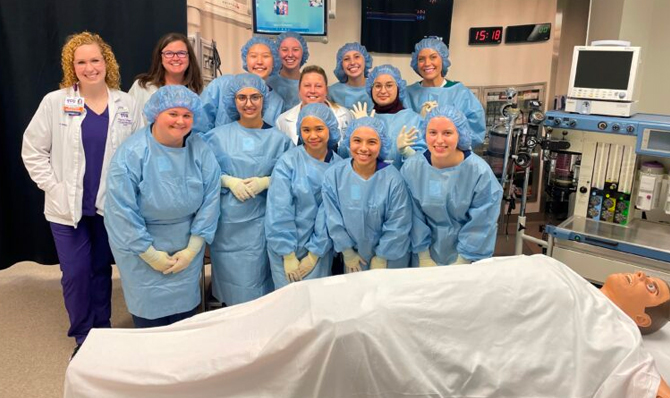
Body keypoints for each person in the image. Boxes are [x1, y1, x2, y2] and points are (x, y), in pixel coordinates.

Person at [63, 255, 670, 398]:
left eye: (654, 289)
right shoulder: (563, 272)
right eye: (649, 273)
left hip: (395, 328)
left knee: (306, 343)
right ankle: (118, 359)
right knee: (280, 316)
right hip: (381, 290)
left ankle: (111, 378)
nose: (643, 275)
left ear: (645, 320)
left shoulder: (617, 341)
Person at [22, 31, 143, 356]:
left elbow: (139, 153)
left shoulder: (126, 104)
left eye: (95, 60)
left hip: (110, 207)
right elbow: (32, 150)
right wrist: (54, 186)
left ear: (107, 62)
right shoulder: (56, 102)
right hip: (66, 209)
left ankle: (101, 331)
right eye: (81, 62)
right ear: (72, 67)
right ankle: (83, 337)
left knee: (101, 270)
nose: (90, 67)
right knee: (75, 274)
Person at [104, 86, 220, 328]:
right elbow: (120, 211)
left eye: (187, 115)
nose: (180, 121)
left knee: (184, 320)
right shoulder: (132, 154)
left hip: (186, 243)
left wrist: (192, 249)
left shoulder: (200, 150)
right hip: (140, 247)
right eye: (173, 113)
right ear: (156, 114)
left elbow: (211, 199)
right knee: (150, 321)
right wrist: (149, 253)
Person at [202, 73, 292, 306]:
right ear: (234, 100)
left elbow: (292, 176)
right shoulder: (217, 137)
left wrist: (266, 182)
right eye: (242, 97)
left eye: (255, 97)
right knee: (232, 294)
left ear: (265, 100)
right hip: (228, 227)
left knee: (260, 290)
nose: (249, 103)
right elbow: (203, 173)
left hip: (263, 224)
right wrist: (228, 181)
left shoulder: (279, 139)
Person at [401, 105, 502, 267]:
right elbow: (412, 215)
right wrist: (423, 256)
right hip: (424, 257)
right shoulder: (412, 169)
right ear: (425, 134)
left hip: (467, 259)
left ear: (460, 134)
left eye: (447, 133)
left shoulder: (479, 172)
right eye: (432, 132)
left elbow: (482, 222)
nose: (439, 140)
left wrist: (464, 259)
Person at [265, 103, 342, 288]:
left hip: (320, 251)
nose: (313, 136)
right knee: (288, 307)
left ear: (330, 129)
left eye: (319, 129)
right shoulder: (288, 162)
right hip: (284, 250)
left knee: (316, 305)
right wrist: (288, 254)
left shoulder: (339, 167)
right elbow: (279, 208)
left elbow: (331, 214)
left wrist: (314, 254)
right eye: (306, 130)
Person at [322, 117, 411, 273]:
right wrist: (348, 252)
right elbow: (333, 218)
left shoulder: (393, 180)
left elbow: (398, 222)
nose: (363, 148)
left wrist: (382, 256)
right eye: (357, 140)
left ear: (381, 145)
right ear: (348, 141)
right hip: (355, 260)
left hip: (390, 260)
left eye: (371, 142)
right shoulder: (334, 176)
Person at [405, 37, 486, 147]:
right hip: (417, 159)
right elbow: (401, 130)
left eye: (433, 57)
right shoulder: (408, 94)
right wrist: (419, 120)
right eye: (421, 59)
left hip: (451, 160)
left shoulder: (460, 93)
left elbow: (475, 133)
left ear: (443, 60)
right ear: (416, 63)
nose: (427, 63)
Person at [349, 64, 425, 169]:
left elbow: (424, 165)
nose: (383, 91)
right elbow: (346, 157)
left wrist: (407, 152)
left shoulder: (414, 120)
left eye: (389, 85)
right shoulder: (363, 118)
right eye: (378, 86)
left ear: (399, 88)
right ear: (371, 89)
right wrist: (359, 129)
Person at [200, 36, 284, 130]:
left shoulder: (277, 102)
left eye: (266, 56)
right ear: (246, 60)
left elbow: (273, 138)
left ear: (274, 62)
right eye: (253, 56)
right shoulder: (220, 86)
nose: (259, 61)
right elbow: (199, 126)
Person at [275, 65, 352, 145]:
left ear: (326, 90)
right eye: (307, 86)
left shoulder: (345, 115)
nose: (312, 90)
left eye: (318, 86)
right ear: (299, 89)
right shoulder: (282, 121)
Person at [127, 33, 203, 112]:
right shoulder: (142, 87)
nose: (175, 58)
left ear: (189, 57)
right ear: (160, 58)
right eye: (169, 53)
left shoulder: (200, 91)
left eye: (181, 53)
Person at [266, 31, 309, 111]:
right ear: (277, 52)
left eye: (295, 50)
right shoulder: (268, 83)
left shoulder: (310, 85)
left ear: (303, 53)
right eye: (284, 50)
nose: (290, 54)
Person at [328, 42, 373, 110]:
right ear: (341, 65)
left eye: (357, 57)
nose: (352, 62)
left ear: (365, 60)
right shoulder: (332, 92)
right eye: (346, 59)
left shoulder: (376, 89)